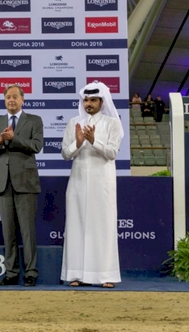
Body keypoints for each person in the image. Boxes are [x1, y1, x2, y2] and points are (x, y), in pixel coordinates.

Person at [60, 81, 123, 289]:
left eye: (93, 100)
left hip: (102, 184)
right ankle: (75, 274)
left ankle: (105, 275)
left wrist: (94, 140)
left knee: (102, 228)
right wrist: (78, 143)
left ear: (101, 102)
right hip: (77, 183)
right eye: (86, 100)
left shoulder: (113, 123)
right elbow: (65, 154)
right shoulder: (73, 123)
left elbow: (112, 153)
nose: (88, 103)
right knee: (76, 228)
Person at [0, 84, 43, 287]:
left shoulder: (34, 120)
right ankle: (11, 273)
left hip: (25, 182)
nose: (11, 100)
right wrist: (0, 140)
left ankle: (31, 272)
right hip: (3, 182)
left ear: (23, 99)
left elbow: (36, 146)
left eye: (15, 96)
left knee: (27, 230)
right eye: (8, 97)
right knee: (8, 232)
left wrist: (13, 138)